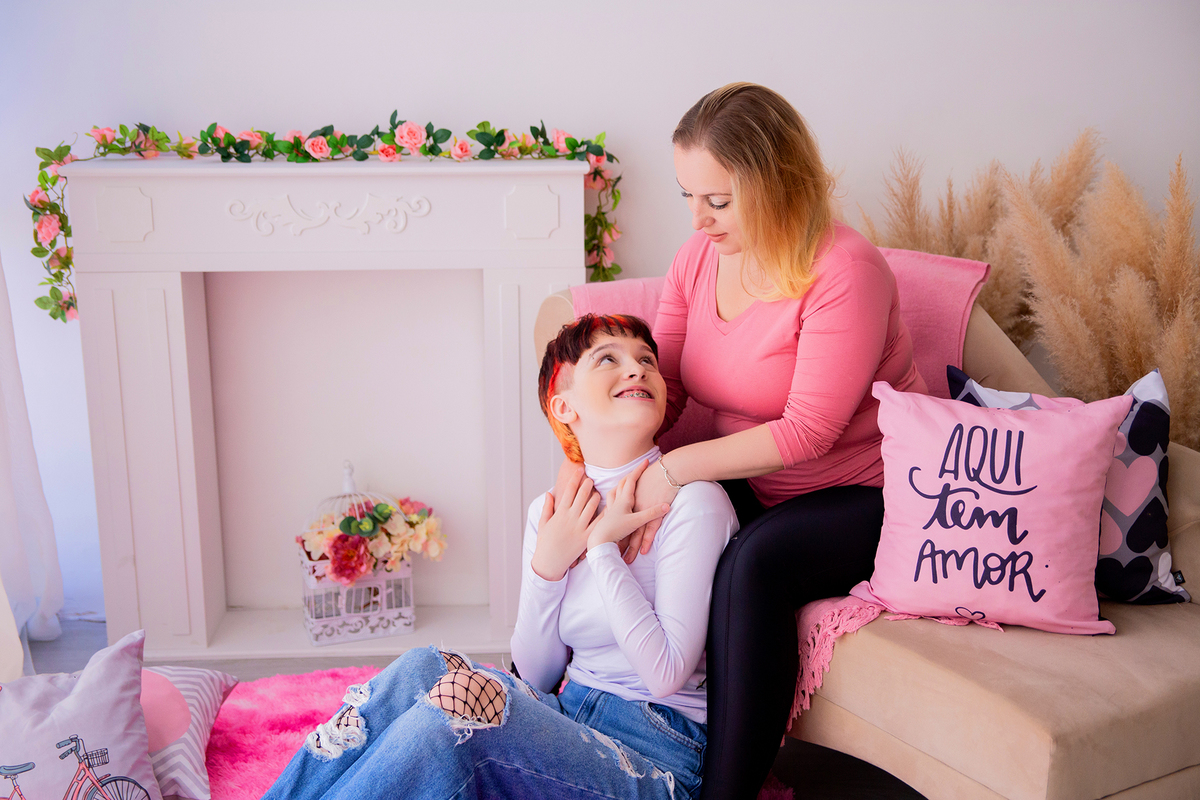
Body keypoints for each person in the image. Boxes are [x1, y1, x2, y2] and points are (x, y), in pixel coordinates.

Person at [261, 313, 737, 800]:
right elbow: (536, 675)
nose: (637, 370)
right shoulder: (553, 512)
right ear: (563, 405)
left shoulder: (693, 503)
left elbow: (666, 674)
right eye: (608, 359)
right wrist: (548, 568)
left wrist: (601, 552)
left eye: (647, 361)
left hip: (655, 752)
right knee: (419, 669)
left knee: (456, 718)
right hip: (567, 716)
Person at [620, 82, 927, 799]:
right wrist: (604, 457)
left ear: (775, 184)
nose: (697, 219)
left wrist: (674, 473)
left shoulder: (844, 269)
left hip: (869, 492)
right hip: (761, 484)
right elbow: (669, 387)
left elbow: (810, 431)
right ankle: (615, 734)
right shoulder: (699, 259)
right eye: (687, 196)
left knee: (754, 564)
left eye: (717, 201)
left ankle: (730, 791)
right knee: (637, 512)